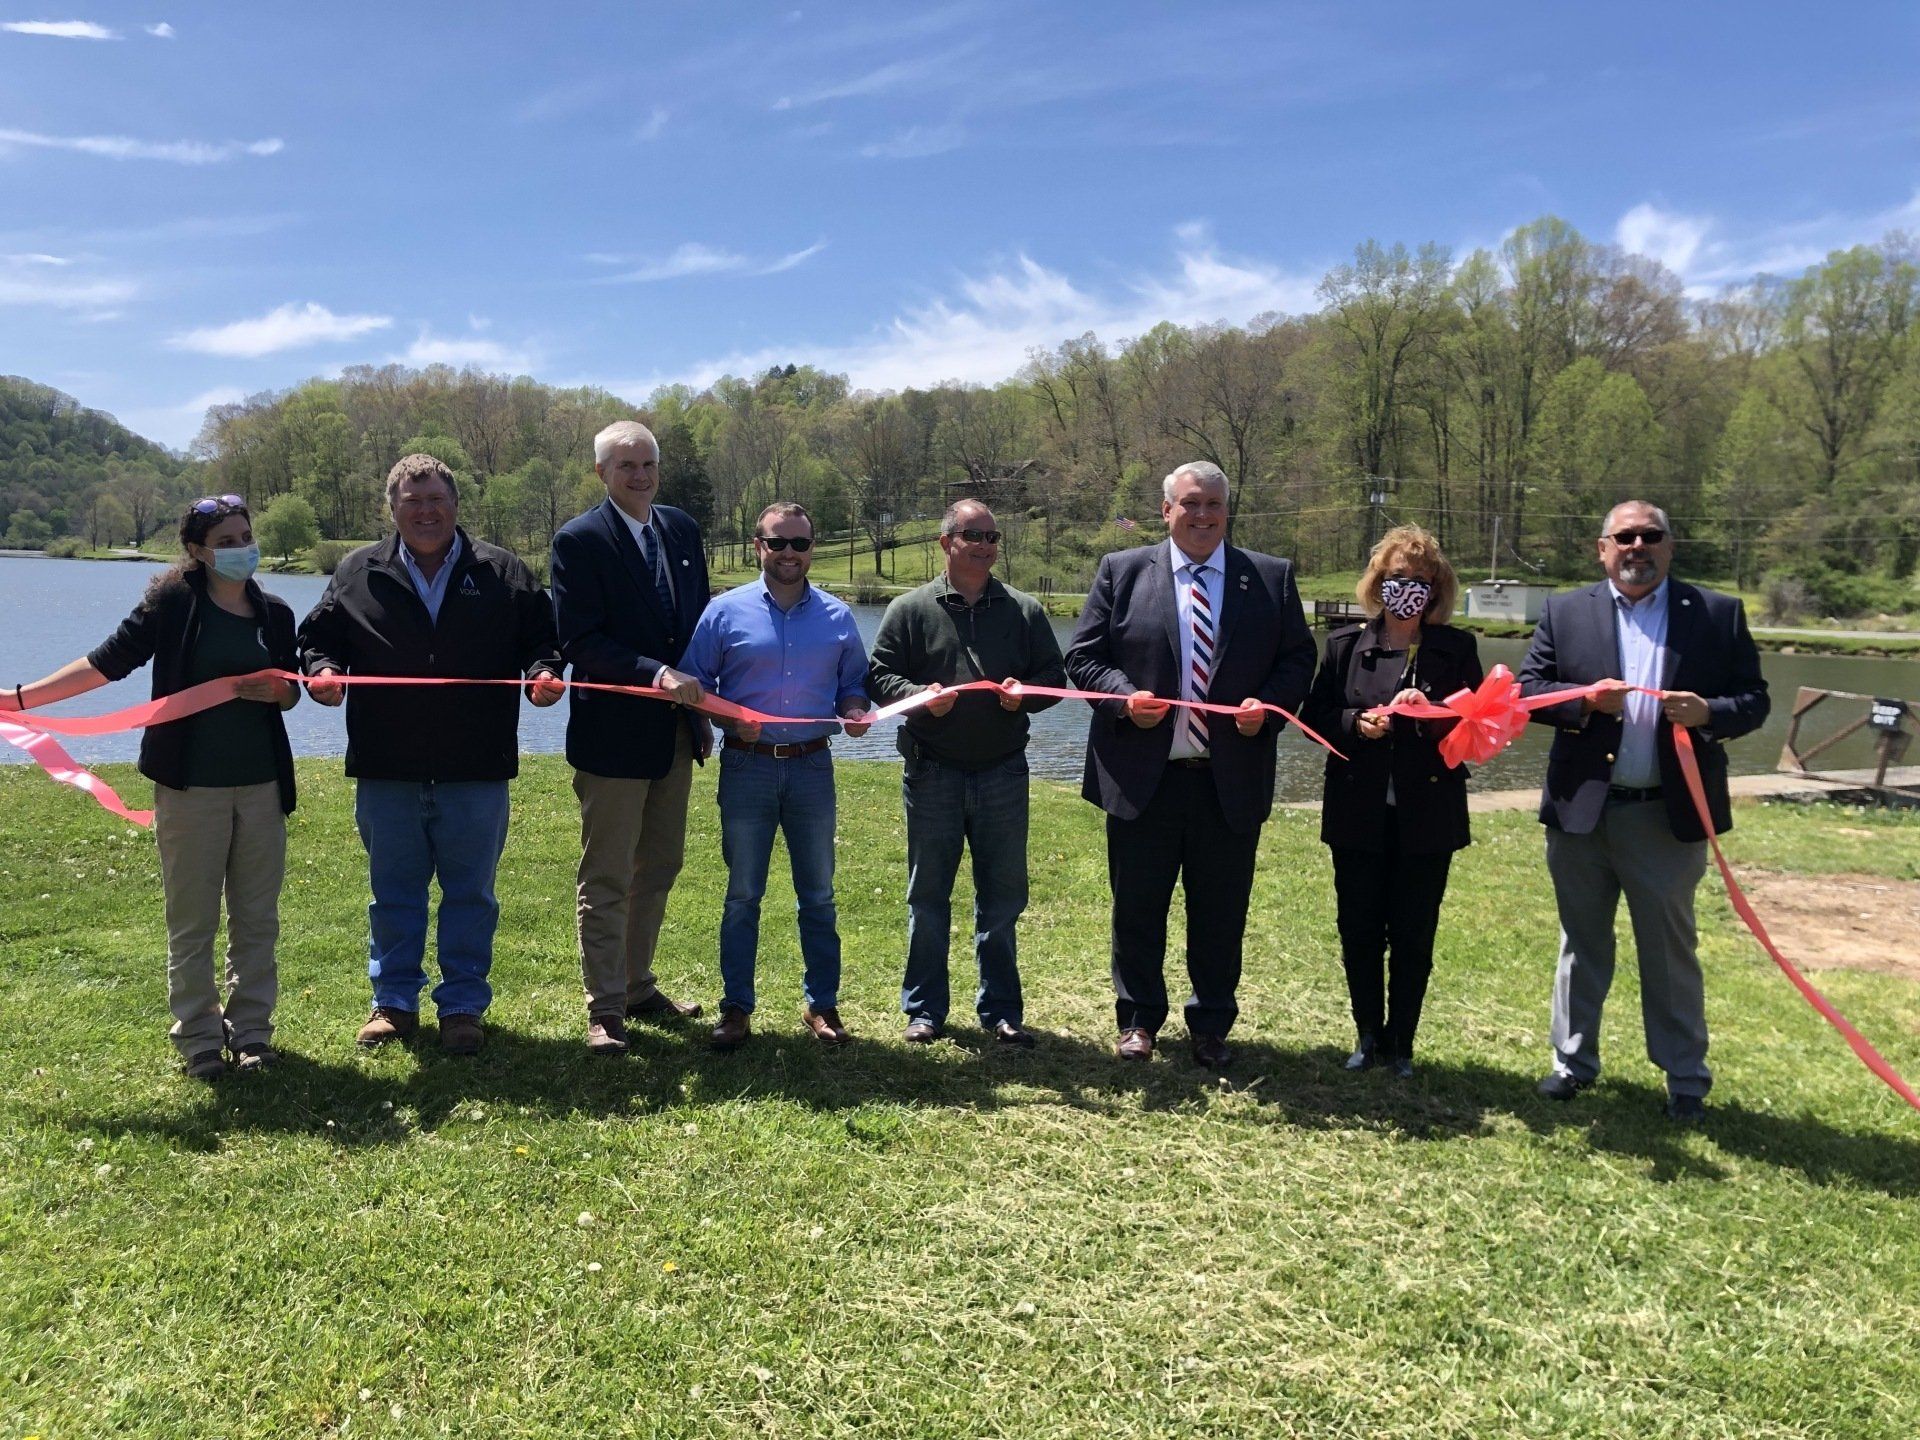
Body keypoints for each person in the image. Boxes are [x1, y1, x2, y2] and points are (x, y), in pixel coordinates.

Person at [2, 495, 300, 1079]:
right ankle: (199, 1040)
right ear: (196, 552)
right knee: (193, 920)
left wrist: (281, 693)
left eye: (246, 536)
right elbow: (106, 663)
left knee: (257, 917)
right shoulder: (172, 604)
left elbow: (290, 690)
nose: (243, 550)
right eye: (227, 542)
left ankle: (254, 1035)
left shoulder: (278, 613)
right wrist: (17, 700)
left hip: (262, 787)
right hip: (190, 789)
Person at [298, 454, 564, 1055]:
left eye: (437, 499)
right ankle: (393, 1003)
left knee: (472, 893)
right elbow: (317, 639)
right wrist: (323, 672)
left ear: (455, 504)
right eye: (413, 501)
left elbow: (541, 640)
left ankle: (463, 1005)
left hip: (477, 765)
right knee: (393, 892)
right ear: (391, 508)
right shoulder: (356, 571)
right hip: (387, 764)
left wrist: (545, 673)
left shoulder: (502, 572)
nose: (426, 511)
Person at [1519, 500, 1769, 1123]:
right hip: (1583, 813)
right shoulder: (1565, 610)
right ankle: (1572, 1062)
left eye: (1649, 536)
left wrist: (1710, 713)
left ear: (1669, 546)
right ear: (1602, 549)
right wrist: (1583, 702)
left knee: (1668, 948)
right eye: (1624, 537)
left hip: (1667, 815)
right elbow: (1527, 692)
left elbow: (1757, 701)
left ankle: (1685, 1077)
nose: (1637, 546)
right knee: (1581, 941)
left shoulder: (1716, 614)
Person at [1064, 461, 1318, 1068]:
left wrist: (1272, 708)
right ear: (1166, 510)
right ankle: (1138, 1020)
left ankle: (1210, 1025)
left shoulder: (1271, 578)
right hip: (1143, 780)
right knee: (1137, 909)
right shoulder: (1122, 572)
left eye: (1213, 505)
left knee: (1221, 911)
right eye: (1190, 504)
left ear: (1227, 510)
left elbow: (1297, 661)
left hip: (1228, 780)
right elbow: (1083, 657)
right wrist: (1125, 699)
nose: (1202, 516)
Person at [867, 498, 1067, 1047]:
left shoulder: (1024, 610)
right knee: (927, 896)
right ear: (945, 543)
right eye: (972, 535)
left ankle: (1001, 1011)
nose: (984, 545)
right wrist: (915, 697)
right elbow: (878, 676)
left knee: (1002, 898)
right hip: (932, 773)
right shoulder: (910, 609)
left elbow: (1054, 675)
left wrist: (1025, 697)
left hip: (1003, 773)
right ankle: (925, 1010)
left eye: (992, 537)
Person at [680, 501, 872, 1051]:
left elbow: (853, 684)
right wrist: (725, 718)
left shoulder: (837, 617)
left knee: (818, 894)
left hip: (813, 766)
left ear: (812, 549)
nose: (790, 554)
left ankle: (823, 1005)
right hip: (748, 768)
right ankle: (736, 1008)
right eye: (778, 542)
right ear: (758, 546)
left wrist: (856, 710)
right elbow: (695, 684)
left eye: (800, 544)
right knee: (743, 893)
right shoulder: (724, 612)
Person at [550, 420, 710, 1057]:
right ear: (601, 474)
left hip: (674, 734)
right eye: (625, 466)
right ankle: (605, 1007)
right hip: (612, 737)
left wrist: (703, 712)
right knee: (609, 874)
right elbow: (580, 641)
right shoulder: (579, 541)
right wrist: (654, 674)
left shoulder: (682, 530)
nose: (639, 476)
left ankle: (637, 983)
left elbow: (696, 632)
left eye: (647, 464)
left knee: (661, 865)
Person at [1301, 525, 1482, 1080]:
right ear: (1379, 583)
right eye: (1398, 578)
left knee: (1413, 932)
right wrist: (1358, 723)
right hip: (1358, 813)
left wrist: (1426, 712)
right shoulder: (1343, 645)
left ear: (1437, 588)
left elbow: (1476, 726)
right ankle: (1366, 1035)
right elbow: (1312, 720)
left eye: (1421, 580)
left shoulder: (1457, 649)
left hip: (1429, 815)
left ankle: (1402, 1043)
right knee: (1359, 929)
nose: (1409, 589)